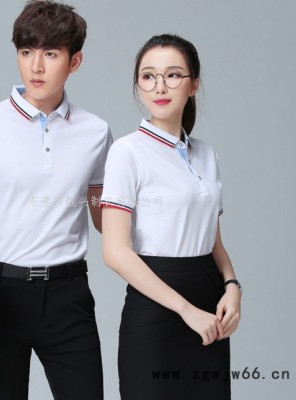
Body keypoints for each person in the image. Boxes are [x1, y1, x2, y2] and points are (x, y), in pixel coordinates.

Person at [0, 1, 112, 399]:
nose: (35, 66)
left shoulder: (96, 132)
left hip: (68, 295)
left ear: (75, 61)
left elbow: (105, 218)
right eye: (26, 51)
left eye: (50, 53)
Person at [101, 34, 241, 400]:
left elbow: (213, 240)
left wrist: (232, 286)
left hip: (210, 304)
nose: (160, 86)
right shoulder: (126, 152)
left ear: (194, 85)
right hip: (156, 310)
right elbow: (114, 252)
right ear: (138, 85)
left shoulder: (207, 155)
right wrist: (186, 310)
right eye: (148, 76)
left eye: (173, 75)